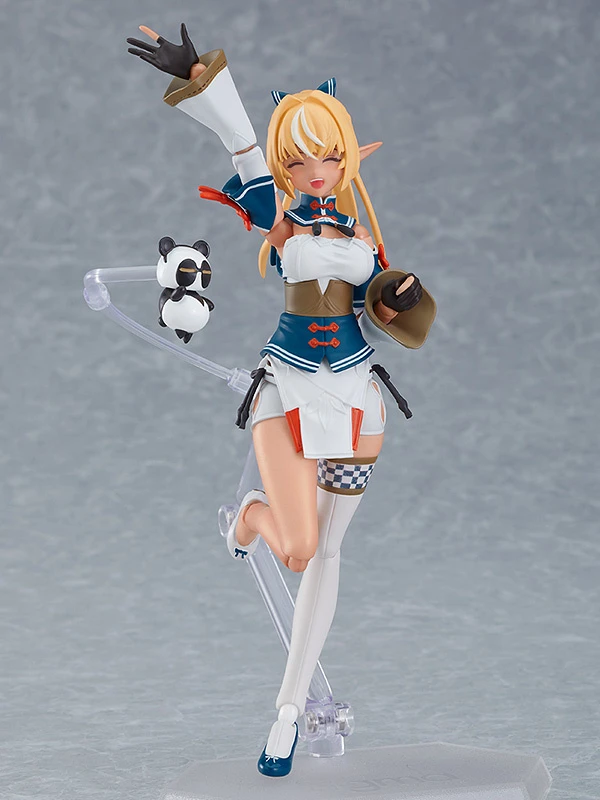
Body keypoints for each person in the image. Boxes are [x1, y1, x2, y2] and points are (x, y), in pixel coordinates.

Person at [127, 24, 436, 778]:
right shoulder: (282, 217)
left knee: (327, 554)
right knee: (295, 547)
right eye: (298, 159)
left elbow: (392, 321)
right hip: (288, 390)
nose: (314, 170)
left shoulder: (365, 238)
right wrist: (203, 78)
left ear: (347, 154)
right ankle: (251, 518)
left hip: (357, 400)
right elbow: (240, 147)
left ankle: (289, 711)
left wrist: (397, 301)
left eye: (326, 155)